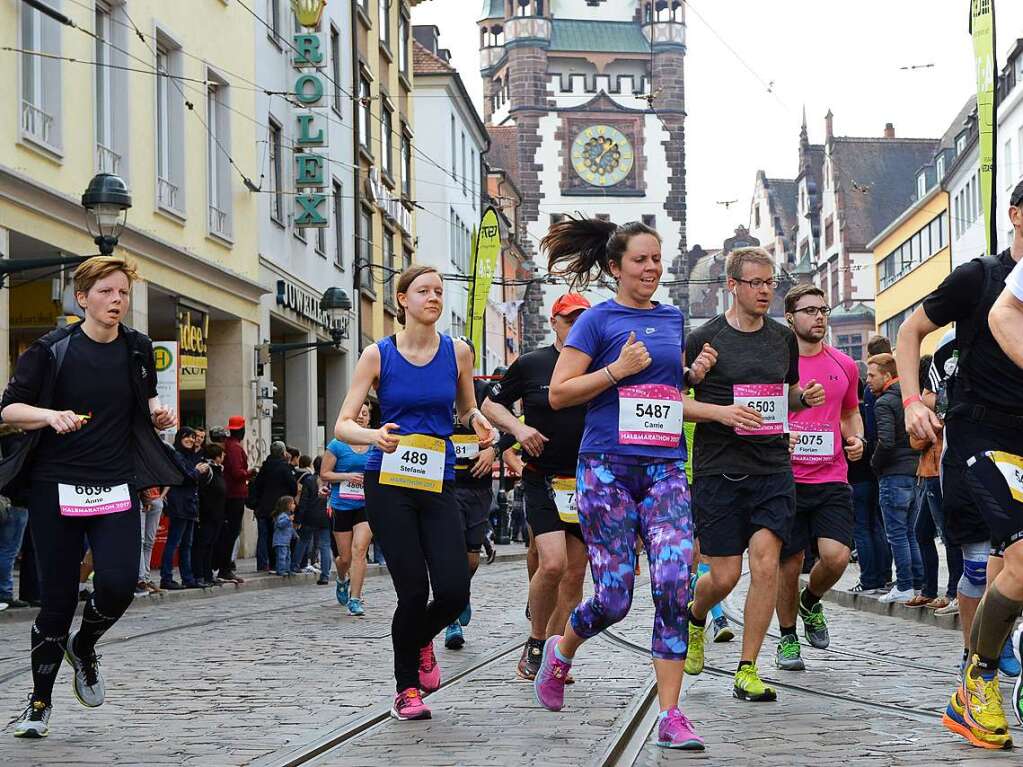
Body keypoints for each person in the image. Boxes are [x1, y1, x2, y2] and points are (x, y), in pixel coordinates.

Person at [532, 217, 727, 751]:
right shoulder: (596, 321)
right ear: (616, 267)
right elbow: (558, 393)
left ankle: (671, 714)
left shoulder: (671, 317)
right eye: (641, 260)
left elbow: (662, 391)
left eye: (657, 259)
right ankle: (562, 651)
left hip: (664, 465)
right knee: (614, 597)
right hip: (607, 468)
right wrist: (616, 370)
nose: (651, 268)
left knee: (672, 581)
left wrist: (693, 377)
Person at [0, 256, 181, 739]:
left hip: (114, 483)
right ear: (82, 298)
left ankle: (85, 646)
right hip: (54, 486)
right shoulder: (51, 349)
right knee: (56, 601)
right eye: (105, 292)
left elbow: (145, 402)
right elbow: (10, 408)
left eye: (122, 293)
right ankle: (38, 704)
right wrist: (48, 415)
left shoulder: (138, 348)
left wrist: (158, 414)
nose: (116, 301)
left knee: (120, 584)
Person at [333, 264, 495, 722]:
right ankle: (406, 689)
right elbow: (344, 423)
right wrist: (372, 436)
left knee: (453, 588)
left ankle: (422, 637)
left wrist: (477, 421)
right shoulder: (377, 355)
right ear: (402, 300)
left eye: (440, 291)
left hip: (437, 479)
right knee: (412, 590)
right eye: (423, 291)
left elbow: (465, 408)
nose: (434, 298)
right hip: (388, 482)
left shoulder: (458, 353)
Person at [896, 182, 1023, 749]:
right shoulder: (979, 276)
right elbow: (909, 332)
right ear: (1016, 214)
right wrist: (908, 402)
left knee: (1010, 569)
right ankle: (980, 678)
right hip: (981, 428)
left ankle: (981, 678)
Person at [683, 247, 824, 703]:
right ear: (732, 285)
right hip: (719, 469)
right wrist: (723, 413)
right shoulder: (704, 337)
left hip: (770, 468)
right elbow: (674, 401)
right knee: (723, 576)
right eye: (755, 283)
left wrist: (805, 398)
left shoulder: (782, 339)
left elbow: (784, 396)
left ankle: (748, 668)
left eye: (769, 283)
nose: (765, 291)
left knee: (766, 565)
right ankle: (696, 614)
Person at [483, 293, 592, 681]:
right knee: (552, 563)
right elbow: (489, 404)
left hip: (588, 482)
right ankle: (533, 640)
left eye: (583, 318)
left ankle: (553, 651)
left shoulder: (599, 366)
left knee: (575, 576)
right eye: (569, 318)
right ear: (555, 322)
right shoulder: (532, 364)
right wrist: (518, 427)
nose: (576, 324)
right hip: (542, 478)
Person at [773, 284, 863, 671]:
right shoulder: (777, 363)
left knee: (837, 556)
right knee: (789, 563)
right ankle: (788, 637)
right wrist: (782, 435)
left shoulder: (845, 364)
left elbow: (849, 412)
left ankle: (811, 600)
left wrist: (857, 436)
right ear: (791, 317)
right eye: (810, 310)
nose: (819, 316)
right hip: (786, 477)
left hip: (831, 476)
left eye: (823, 309)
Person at [443, 336, 497, 651]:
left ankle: (462, 593)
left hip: (477, 487)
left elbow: (501, 427)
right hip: (446, 485)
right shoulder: (437, 391)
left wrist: (493, 451)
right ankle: (450, 618)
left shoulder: (484, 393)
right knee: (448, 555)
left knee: (471, 560)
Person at [866, 353, 922, 603]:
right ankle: (918, 582)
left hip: (893, 474)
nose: (868, 380)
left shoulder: (884, 403)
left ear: (887, 376)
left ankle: (905, 585)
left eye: (872, 375)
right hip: (914, 471)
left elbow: (886, 441)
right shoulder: (911, 398)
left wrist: (874, 465)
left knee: (897, 534)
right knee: (910, 532)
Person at [908, 355, 960, 610]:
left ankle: (952, 592)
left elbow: (916, 440)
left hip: (936, 471)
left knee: (948, 534)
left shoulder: (933, 401)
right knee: (923, 532)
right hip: (928, 471)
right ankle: (930, 589)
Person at [323, 400, 373, 615]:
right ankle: (342, 578)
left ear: (370, 418)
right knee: (345, 558)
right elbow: (324, 474)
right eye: (357, 413)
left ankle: (355, 598)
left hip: (366, 504)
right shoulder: (337, 444)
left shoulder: (376, 443)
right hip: (342, 504)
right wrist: (346, 476)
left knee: (359, 551)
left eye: (365, 413)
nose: (361, 416)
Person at [160, 428, 211, 590]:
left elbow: (194, 478)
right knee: (174, 542)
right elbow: (186, 476)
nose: (190, 439)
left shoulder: (189, 456)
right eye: (186, 437)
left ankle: (187, 577)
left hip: (190, 504)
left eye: (192, 437)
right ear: (179, 438)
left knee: (187, 544)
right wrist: (198, 471)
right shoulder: (177, 455)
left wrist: (201, 472)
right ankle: (166, 577)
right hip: (179, 504)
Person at [214, 416, 252, 584]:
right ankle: (225, 567)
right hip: (235, 495)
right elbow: (237, 473)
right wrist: (251, 473)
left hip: (230, 494)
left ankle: (223, 565)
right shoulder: (235, 448)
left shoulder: (229, 446)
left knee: (229, 532)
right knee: (232, 532)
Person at [251, 441, 297, 572]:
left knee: (263, 536)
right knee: (277, 536)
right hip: (279, 508)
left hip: (263, 508)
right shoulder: (284, 468)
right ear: (283, 453)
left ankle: (262, 564)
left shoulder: (264, 467)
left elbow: (257, 485)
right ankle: (276, 564)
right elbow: (293, 487)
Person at [294, 456, 332, 585]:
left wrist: (298, 518)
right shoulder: (330, 481)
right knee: (325, 545)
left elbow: (303, 502)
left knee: (303, 540)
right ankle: (325, 575)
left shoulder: (309, 480)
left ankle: (295, 566)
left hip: (310, 516)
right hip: (326, 516)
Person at [194, 443, 227, 587]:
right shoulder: (207, 471)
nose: (224, 456)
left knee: (210, 546)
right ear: (217, 457)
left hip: (217, 515)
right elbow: (201, 492)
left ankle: (208, 575)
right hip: (207, 515)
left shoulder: (217, 470)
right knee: (203, 546)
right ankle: (200, 575)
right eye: (222, 454)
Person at [271, 496, 297, 576]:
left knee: (287, 556)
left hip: (286, 541)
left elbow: (290, 528)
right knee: (282, 556)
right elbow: (280, 524)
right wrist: (288, 519)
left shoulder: (288, 516)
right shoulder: (283, 516)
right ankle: (281, 570)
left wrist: (295, 534)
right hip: (280, 541)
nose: (294, 505)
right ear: (287, 505)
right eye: (292, 503)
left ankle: (287, 569)